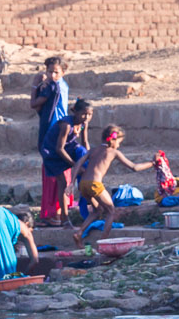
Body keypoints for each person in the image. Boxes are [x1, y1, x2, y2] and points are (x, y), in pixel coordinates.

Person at [74, 126, 146, 243]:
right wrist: (152, 163)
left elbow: (78, 164)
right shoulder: (113, 152)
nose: (118, 146)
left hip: (83, 184)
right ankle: (103, 242)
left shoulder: (93, 150)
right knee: (111, 211)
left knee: (97, 210)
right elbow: (134, 167)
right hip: (94, 184)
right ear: (113, 140)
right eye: (119, 143)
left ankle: (79, 233)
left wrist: (71, 184)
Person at [31, 56, 72, 222]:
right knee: (61, 170)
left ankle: (51, 212)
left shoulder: (52, 86)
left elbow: (34, 104)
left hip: (52, 131)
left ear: (63, 72)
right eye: (50, 71)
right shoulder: (63, 85)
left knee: (51, 171)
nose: (52, 75)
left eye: (56, 72)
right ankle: (61, 210)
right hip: (62, 128)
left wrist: (35, 85)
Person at [41, 98, 92, 227]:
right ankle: (65, 219)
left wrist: (89, 159)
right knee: (63, 183)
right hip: (52, 152)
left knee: (84, 163)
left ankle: (88, 210)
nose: (86, 117)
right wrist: (75, 165)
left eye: (90, 114)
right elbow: (59, 149)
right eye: (84, 114)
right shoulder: (66, 125)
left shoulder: (83, 123)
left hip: (69, 148)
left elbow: (85, 142)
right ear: (75, 112)